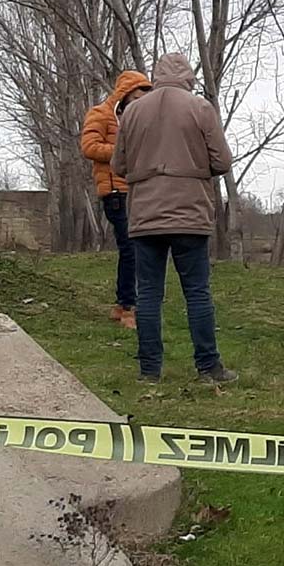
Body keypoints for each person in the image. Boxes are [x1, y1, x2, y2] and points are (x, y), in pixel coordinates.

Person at [111, 52, 237, 384]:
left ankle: (149, 370)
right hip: (189, 213)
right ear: (188, 77)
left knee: (148, 293)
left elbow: (118, 167)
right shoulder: (200, 108)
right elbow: (222, 161)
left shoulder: (134, 111)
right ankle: (209, 367)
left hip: (145, 215)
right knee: (196, 291)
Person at [80, 70, 153, 329]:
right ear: (125, 95)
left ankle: (123, 304)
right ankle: (128, 307)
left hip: (138, 189)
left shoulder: (139, 118)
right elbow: (89, 147)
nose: (140, 104)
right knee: (131, 248)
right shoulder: (100, 114)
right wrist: (122, 151)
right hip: (114, 192)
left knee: (135, 248)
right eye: (136, 97)